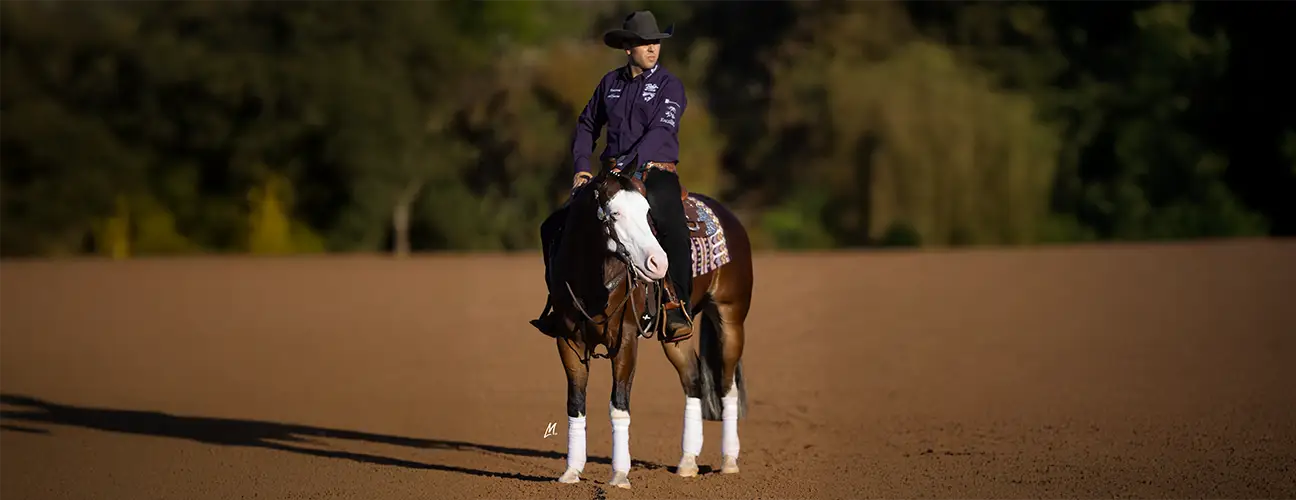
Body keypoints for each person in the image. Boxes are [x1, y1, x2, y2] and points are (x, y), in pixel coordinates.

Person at [531, 10, 694, 343]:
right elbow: (587, 124)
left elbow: (662, 129)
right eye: (644, 43)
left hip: (654, 173)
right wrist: (581, 166)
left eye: (656, 43)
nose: (652, 49)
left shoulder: (670, 85)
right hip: (611, 175)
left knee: (672, 227)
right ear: (627, 48)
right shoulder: (610, 83)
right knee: (555, 224)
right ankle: (558, 304)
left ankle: (677, 305)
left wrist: (628, 163)